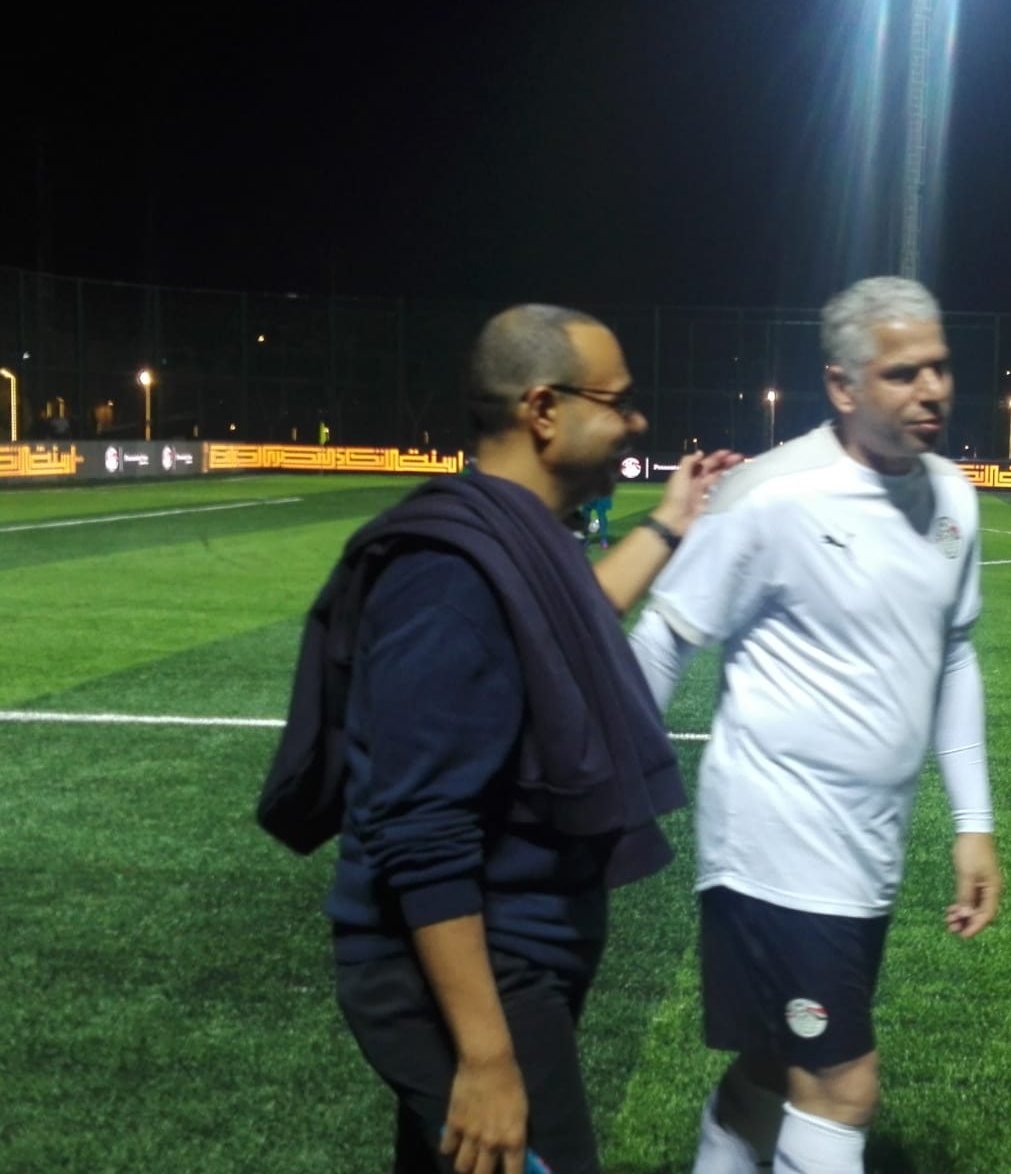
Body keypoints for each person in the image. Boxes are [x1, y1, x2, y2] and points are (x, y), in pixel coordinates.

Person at [275, 304, 738, 1174]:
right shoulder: (446, 578)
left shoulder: (514, 537)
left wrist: (672, 521)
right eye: (617, 402)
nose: (636, 421)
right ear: (543, 410)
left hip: (513, 954)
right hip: (475, 973)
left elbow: (571, 621)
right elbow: (422, 831)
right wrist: (487, 1060)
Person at [629, 276, 1003, 1174]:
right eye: (903, 373)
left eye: (940, 367)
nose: (933, 390)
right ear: (842, 385)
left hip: (869, 847)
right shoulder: (772, 494)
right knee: (842, 1086)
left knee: (771, 1065)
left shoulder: (954, 496)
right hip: (775, 842)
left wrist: (974, 822)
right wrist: (604, 789)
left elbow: (953, 653)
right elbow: (665, 637)